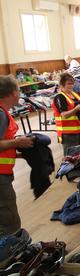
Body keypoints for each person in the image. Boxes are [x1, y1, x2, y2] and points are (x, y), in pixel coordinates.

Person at [0, 76, 33, 236]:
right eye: (19, 90)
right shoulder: (0, 115)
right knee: (9, 223)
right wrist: (17, 142)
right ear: (13, 93)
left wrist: (17, 153)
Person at [52, 73, 80, 154]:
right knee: (70, 157)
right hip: (68, 133)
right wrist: (76, 109)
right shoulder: (59, 97)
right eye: (69, 84)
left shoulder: (75, 95)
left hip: (79, 130)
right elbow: (64, 115)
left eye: (72, 83)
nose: (71, 86)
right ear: (62, 85)